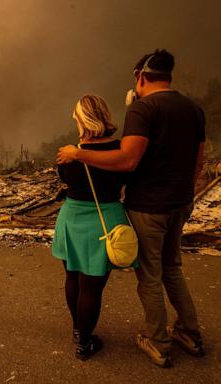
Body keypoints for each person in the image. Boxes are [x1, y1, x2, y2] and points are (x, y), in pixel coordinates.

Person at [57, 49, 205, 368]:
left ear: (140, 76)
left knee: (149, 276)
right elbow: (199, 158)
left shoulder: (143, 109)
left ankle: (158, 342)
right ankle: (190, 333)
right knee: (172, 268)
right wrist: (187, 192)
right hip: (180, 203)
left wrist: (79, 153)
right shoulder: (193, 108)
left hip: (149, 207)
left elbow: (128, 160)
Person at [52, 94, 136, 361]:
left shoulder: (68, 154)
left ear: (83, 119)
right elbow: (127, 177)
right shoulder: (121, 150)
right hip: (105, 219)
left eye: (75, 116)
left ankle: (79, 333)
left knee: (72, 277)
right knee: (92, 287)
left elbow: (65, 179)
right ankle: (84, 341)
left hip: (73, 217)